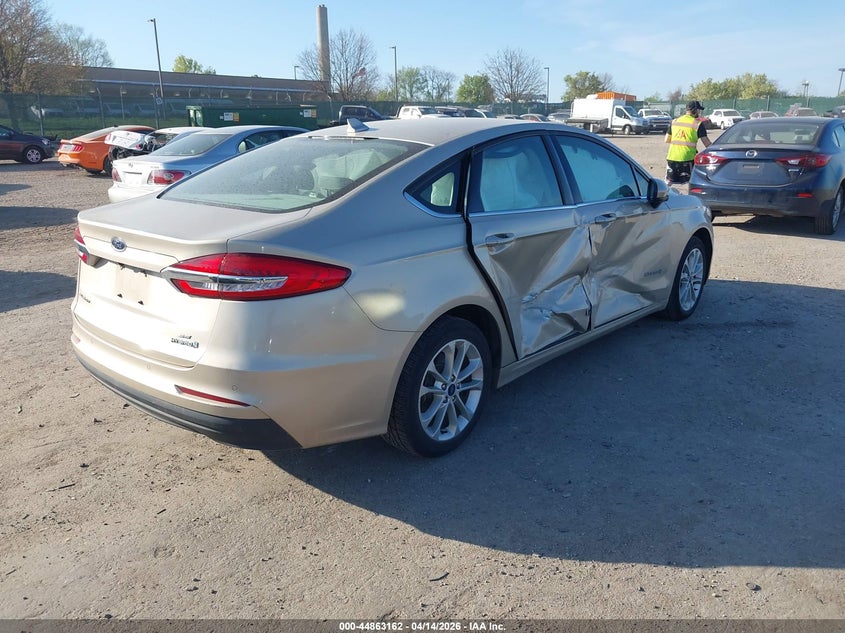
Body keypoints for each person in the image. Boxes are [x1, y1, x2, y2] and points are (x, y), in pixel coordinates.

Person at [665, 100, 712, 189]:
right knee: (691, 181)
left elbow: (666, 139)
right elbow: (707, 144)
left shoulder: (674, 121)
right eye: (698, 110)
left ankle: (663, 197)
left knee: (669, 181)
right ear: (695, 110)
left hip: (672, 157)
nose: (699, 112)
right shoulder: (698, 124)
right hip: (688, 158)